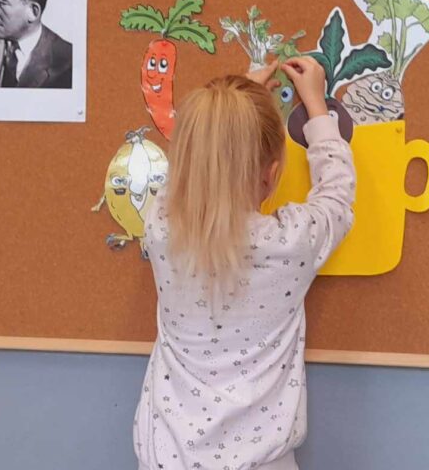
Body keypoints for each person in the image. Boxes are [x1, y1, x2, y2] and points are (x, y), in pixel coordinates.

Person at [133, 56, 357, 470]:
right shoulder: (288, 243)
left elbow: (185, 171)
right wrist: (317, 108)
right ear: (270, 175)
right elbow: (336, 197)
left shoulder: (162, 229)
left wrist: (234, 95)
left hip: (167, 460)